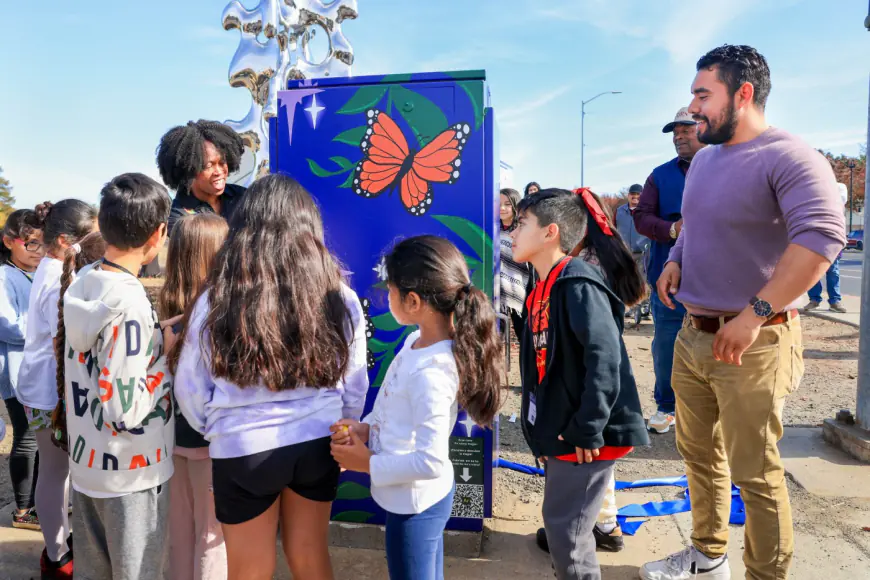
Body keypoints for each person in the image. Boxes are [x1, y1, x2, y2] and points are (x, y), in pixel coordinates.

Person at [641, 45, 846, 580]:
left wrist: (754, 313)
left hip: (755, 343)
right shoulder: (705, 159)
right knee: (698, 457)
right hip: (692, 336)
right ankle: (708, 558)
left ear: (744, 93)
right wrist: (676, 262)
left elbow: (822, 239)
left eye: (702, 94)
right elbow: (694, 224)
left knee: (755, 473)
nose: (692, 107)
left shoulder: (792, 157)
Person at [173, 174, 369, 580]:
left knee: (249, 570)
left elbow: (190, 386)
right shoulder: (339, 294)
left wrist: (216, 428)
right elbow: (355, 379)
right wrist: (343, 427)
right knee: (311, 558)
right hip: (318, 439)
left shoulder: (217, 297)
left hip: (243, 446)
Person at [330, 236, 503, 580]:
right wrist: (367, 427)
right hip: (410, 498)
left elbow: (430, 461)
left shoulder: (433, 371)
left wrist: (368, 464)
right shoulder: (416, 342)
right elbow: (393, 401)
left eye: (390, 290)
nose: (386, 296)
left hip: (416, 504)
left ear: (412, 301)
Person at [509, 189, 649, 579]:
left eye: (521, 224)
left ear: (550, 232)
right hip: (566, 430)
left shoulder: (576, 283)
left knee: (566, 533)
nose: (512, 234)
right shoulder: (543, 286)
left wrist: (588, 430)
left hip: (585, 435)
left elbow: (605, 360)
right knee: (563, 525)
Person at [59, 173, 173, 580]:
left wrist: (156, 338)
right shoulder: (130, 301)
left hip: (89, 467)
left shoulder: (84, 281)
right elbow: (123, 408)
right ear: (158, 234)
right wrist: (163, 358)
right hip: (131, 471)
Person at [16, 199, 97, 579]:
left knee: (58, 473)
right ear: (65, 240)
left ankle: (58, 548)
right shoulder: (56, 278)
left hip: (44, 387)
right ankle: (56, 554)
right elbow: (60, 343)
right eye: (90, 235)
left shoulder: (54, 268)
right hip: (50, 392)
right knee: (55, 473)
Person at [160, 214, 229, 580]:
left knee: (180, 531)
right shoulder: (218, 313)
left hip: (171, 441)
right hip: (209, 444)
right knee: (212, 535)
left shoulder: (165, 309)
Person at [633, 107, 705, 435]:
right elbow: (642, 217)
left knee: (713, 339)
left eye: (685, 130)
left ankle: (707, 407)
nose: (678, 137)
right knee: (667, 341)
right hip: (669, 277)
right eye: (674, 132)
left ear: (702, 128)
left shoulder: (727, 166)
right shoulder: (659, 176)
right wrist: (673, 229)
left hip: (718, 277)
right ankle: (666, 405)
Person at [1, 209, 45, 531]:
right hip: (18, 374)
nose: (38, 251)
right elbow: (7, 326)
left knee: (39, 438)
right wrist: (44, 322)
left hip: (35, 372)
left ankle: (37, 504)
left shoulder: (33, 274)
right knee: (27, 438)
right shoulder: (4, 277)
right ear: (8, 242)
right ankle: (24, 509)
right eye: (31, 244)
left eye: (42, 244)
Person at [156, 119, 247, 234]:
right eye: (209, 165)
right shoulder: (179, 217)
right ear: (189, 169)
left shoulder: (243, 198)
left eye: (222, 162)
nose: (219, 171)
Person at [805, 182, 849, 313]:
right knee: (812, 272)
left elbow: (838, 201)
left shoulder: (839, 187)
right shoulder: (811, 186)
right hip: (813, 236)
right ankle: (814, 299)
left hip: (832, 238)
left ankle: (835, 302)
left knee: (833, 272)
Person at [499, 188, 530, 335]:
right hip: (496, 291)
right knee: (496, 336)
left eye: (507, 204)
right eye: (498, 204)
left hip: (521, 290)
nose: (502, 208)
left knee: (523, 333)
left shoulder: (523, 229)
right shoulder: (491, 228)